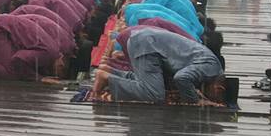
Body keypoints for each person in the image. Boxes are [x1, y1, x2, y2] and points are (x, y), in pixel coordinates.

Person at [95, 28, 223, 105]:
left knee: (148, 82)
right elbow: (181, 78)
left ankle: (110, 71)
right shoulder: (212, 67)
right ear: (218, 88)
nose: (209, 97)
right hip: (148, 45)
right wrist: (195, 101)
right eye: (215, 97)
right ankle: (106, 77)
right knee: (154, 94)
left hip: (144, 41)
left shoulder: (210, 63)